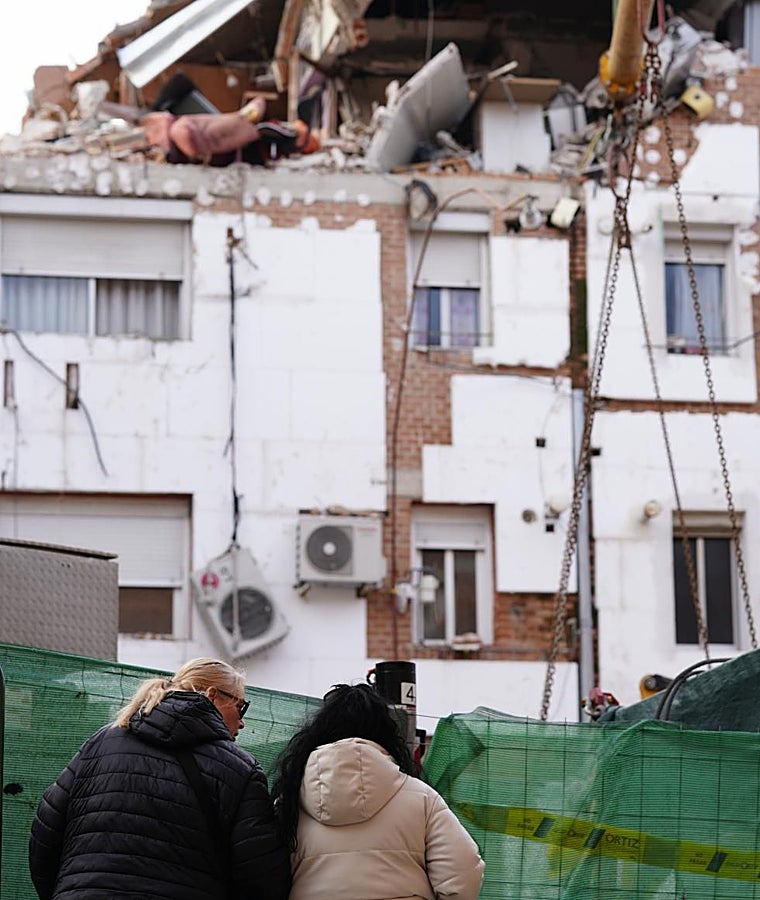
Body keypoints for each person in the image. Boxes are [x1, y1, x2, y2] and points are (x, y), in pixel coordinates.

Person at [28, 657, 291, 900]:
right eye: (240, 706)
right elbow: (261, 876)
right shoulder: (239, 769)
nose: (242, 722)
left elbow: (45, 836)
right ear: (213, 695)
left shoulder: (101, 742)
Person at [271, 683, 485, 900]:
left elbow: (264, 873)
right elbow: (464, 871)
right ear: (385, 732)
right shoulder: (423, 798)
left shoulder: (289, 799)